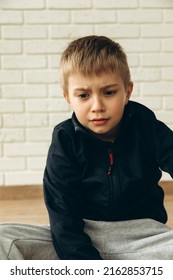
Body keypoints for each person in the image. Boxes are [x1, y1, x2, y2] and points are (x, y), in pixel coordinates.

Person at [0, 35, 173, 260]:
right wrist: (88, 268)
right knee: (4, 236)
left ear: (127, 92)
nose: (97, 107)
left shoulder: (146, 127)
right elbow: (63, 215)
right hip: (80, 236)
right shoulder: (65, 140)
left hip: (143, 238)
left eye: (109, 93)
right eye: (83, 95)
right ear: (68, 98)